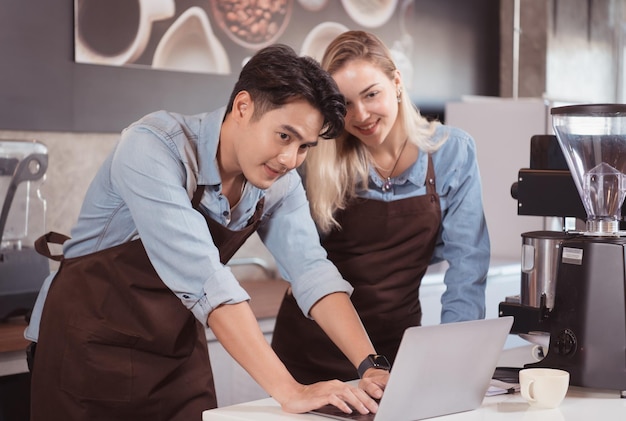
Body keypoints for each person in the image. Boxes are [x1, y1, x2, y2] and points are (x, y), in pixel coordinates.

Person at [24, 44, 388, 421]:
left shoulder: (279, 182)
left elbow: (312, 270)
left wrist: (370, 364)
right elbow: (204, 278)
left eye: (304, 147)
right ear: (243, 107)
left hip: (174, 356)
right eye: (284, 136)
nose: (289, 159)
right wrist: (290, 391)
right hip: (88, 352)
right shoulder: (153, 146)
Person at [272, 31, 490, 384]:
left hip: (395, 355)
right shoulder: (314, 160)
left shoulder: (452, 153)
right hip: (309, 356)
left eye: (371, 94)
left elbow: (468, 269)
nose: (361, 115)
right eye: (346, 104)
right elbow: (302, 263)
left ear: (397, 82)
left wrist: (456, 359)